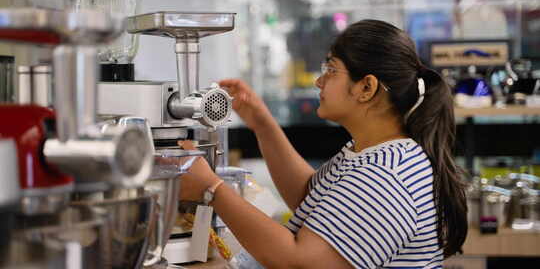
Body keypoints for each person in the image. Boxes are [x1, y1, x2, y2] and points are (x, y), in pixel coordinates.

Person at [179, 19, 468, 269]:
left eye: (331, 70)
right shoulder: (369, 153)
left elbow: (300, 262)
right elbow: (310, 198)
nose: (319, 81)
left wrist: (212, 189)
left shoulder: (384, 176)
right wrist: (260, 121)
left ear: (366, 88)